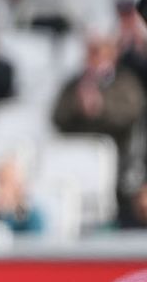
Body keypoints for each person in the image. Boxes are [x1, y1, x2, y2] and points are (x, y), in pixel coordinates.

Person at [52, 31, 146, 216]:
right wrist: (77, 105)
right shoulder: (74, 84)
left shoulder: (125, 82)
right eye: (90, 53)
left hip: (120, 155)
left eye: (99, 52)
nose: (94, 59)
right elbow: (57, 117)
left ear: (112, 55)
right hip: (78, 154)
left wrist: (101, 108)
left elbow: (132, 112)